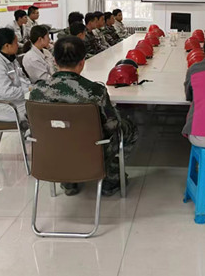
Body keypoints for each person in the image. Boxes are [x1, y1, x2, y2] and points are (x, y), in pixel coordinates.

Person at [30, 36, 138, 196]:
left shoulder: (38, 91)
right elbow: (112, 125)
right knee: (129, 128)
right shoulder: (95, 91)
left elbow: (33, 126)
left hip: (52, 150)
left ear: (55, 61)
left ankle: (68, 181)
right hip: (90, 150)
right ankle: (110, 176)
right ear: (82, 62)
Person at [0, 28, 31, 123]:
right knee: (41, 109)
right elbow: (7, 93)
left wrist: (30, 89)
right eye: (16, 43)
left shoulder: (11, 59)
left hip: (18, 100)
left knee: (46, 101)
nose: (18, 45)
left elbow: (23, 78)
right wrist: (29, 92)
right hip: (5, 107)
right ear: (7, 46)